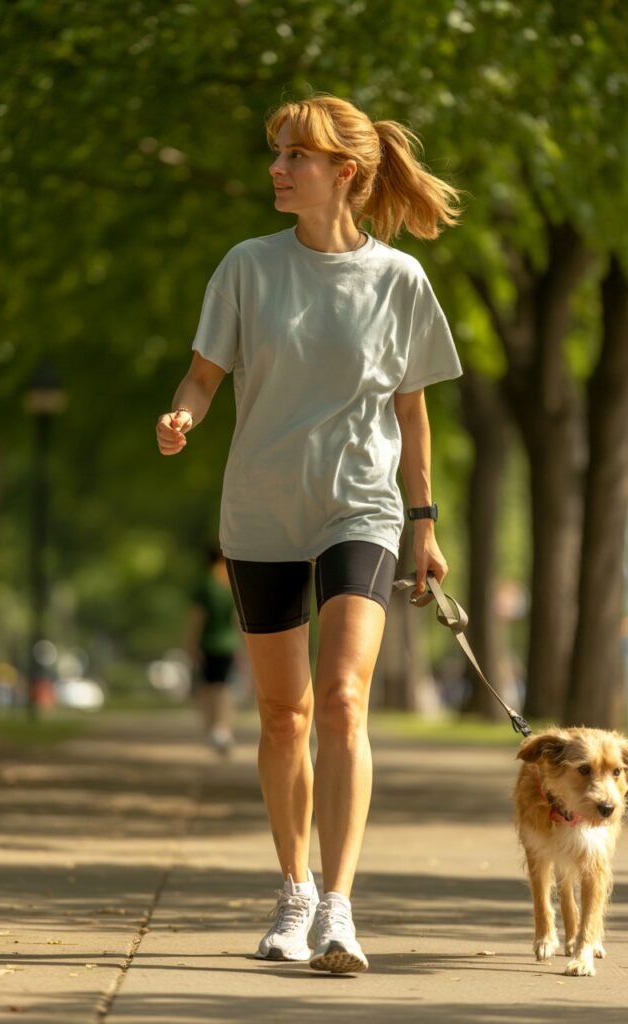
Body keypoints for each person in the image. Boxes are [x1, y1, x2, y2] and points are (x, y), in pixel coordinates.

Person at [156, 94, 462, 974]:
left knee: (342, 700)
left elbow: (412, 410)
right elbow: (203, 377)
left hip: (358, 509)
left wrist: (424, 522)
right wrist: (181, 417)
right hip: (260, 513)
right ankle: (290, 892)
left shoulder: (399, 280)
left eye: (295, 155)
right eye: (277, 153)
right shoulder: (247, 266)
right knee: (283, 715)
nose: (277, 168)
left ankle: (338, 905)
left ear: (345, 173)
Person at [184, 543, 241, 754]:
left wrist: (190, 645)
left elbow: (196, 619)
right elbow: (237, 619)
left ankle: (212, 729)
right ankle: (223, 728)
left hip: (208, 644)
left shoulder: (205, 585)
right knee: (224, 686)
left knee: (208, 687)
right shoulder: (230, 584)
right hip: (229, 644)